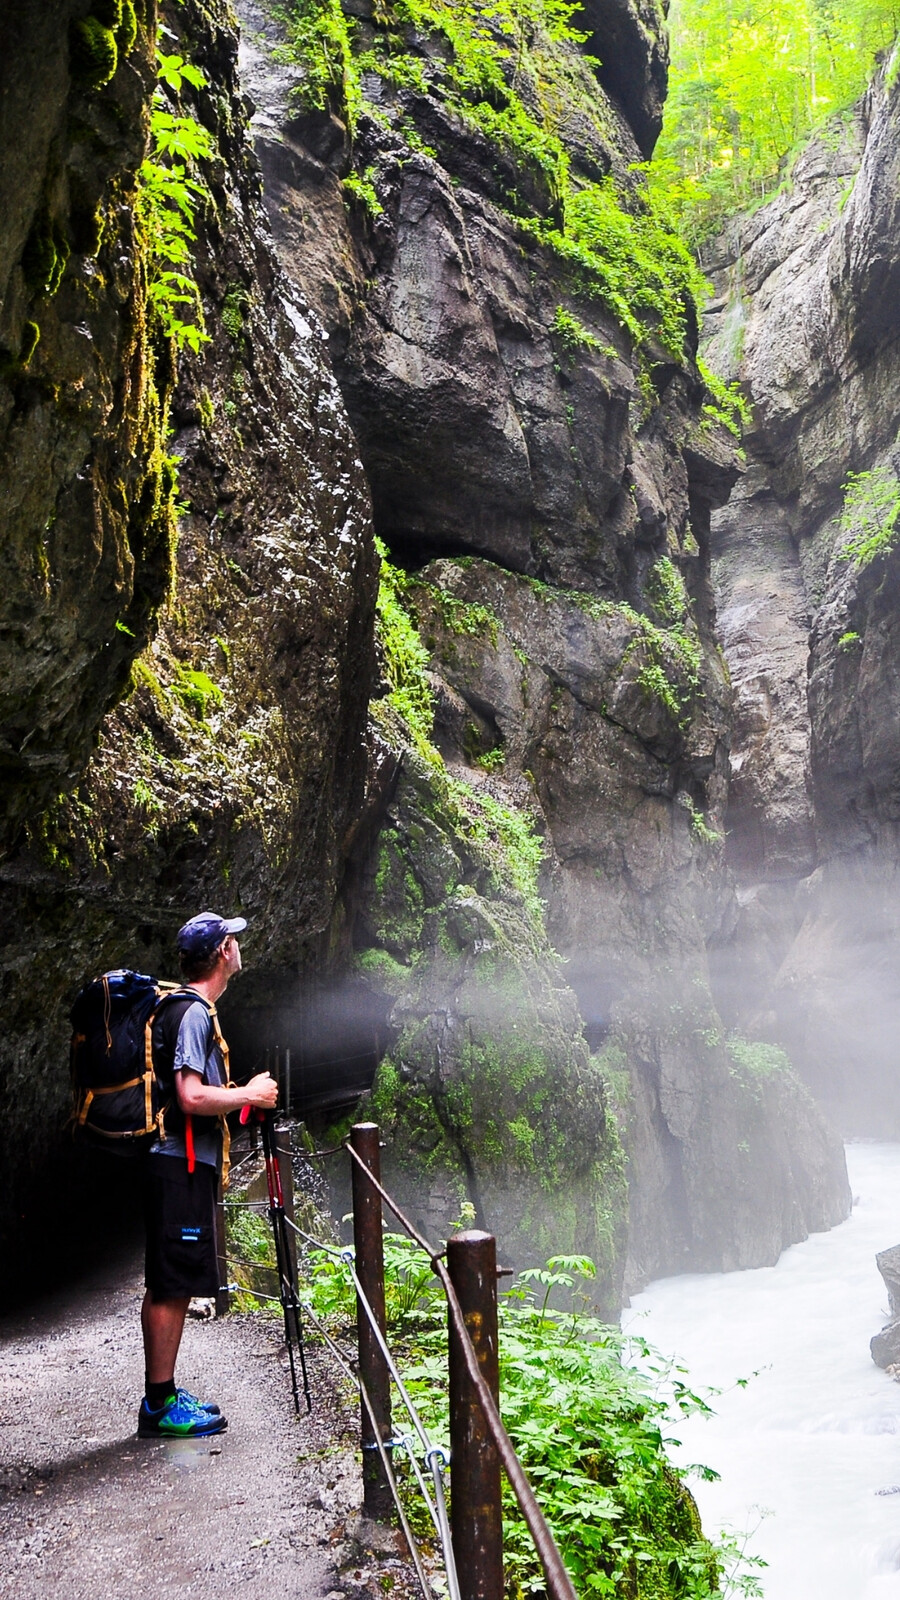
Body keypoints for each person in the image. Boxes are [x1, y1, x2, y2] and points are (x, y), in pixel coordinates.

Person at [138, 911, 278, 1438]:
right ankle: (159, 1405)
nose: (240, 946)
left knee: (169, 1279)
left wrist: (242, 1097)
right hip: (179, 1163)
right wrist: (248, 1094)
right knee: (172, 1282)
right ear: (222, 951)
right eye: (234, 939)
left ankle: (163, 1393)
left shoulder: (184, 1008)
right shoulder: (194, 1013)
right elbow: (191, 1096)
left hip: (175, 1160)